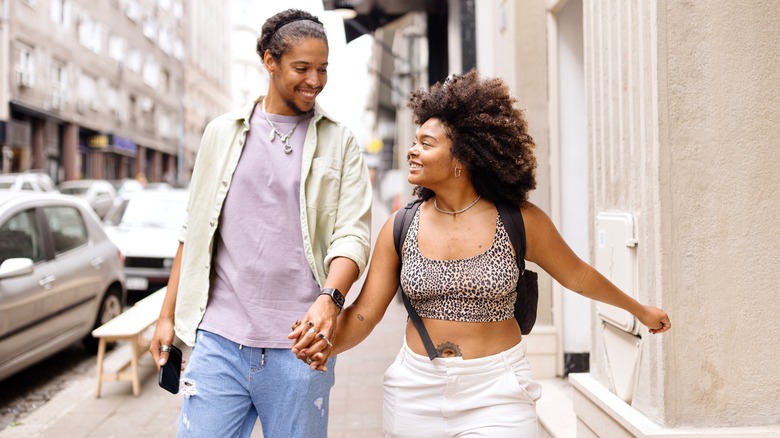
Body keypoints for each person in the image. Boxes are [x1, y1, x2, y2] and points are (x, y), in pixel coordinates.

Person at [290, 70, 671, 437]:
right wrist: (323, 345)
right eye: (415, 141)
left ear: (462, 157)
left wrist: (638, 310)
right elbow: (364, 314)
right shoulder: (400, 226)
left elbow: (578, 276)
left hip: (497, 389)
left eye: (426, 143)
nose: (412, 151)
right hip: (415, 389)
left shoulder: (519, 220)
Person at [149, 8, 372, 438]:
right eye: (302, 68)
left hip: (301, 345)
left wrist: (329, 300)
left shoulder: (341, 142)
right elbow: (194, 231)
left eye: (323, 68)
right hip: (219, 340)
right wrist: (166, 317)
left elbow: (352, 235)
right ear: (270, 61)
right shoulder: (221, 133)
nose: (315, 80)